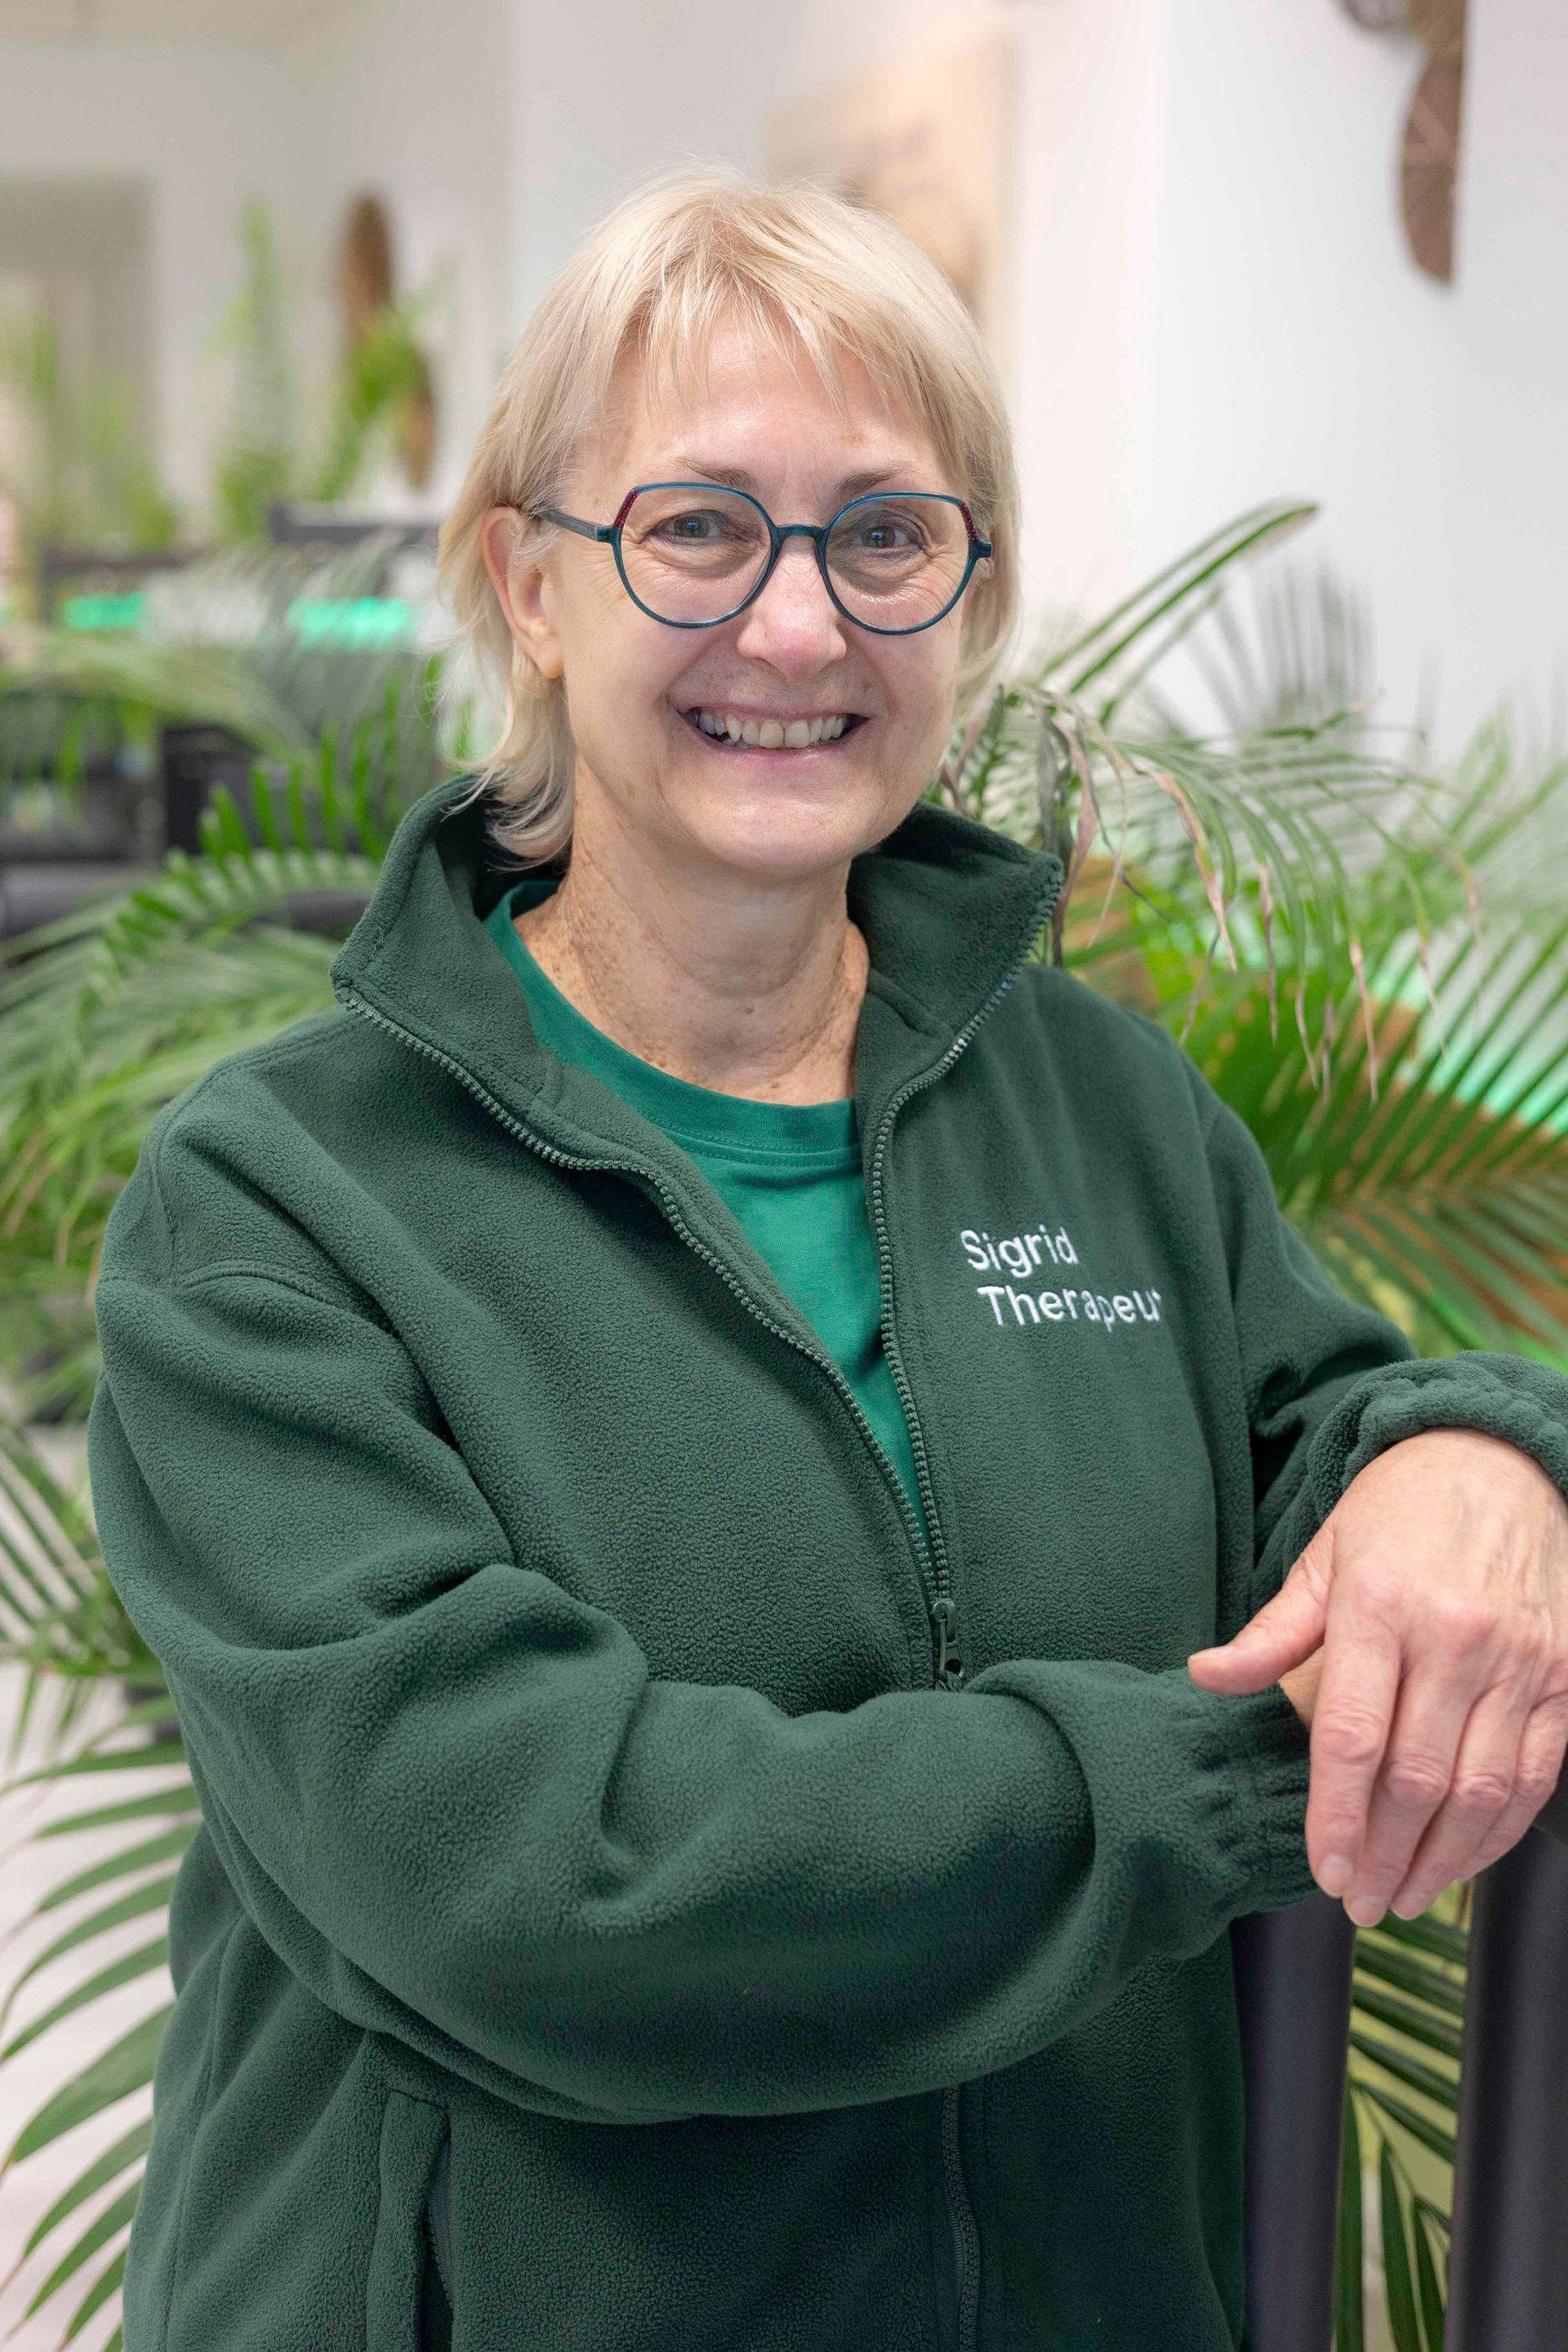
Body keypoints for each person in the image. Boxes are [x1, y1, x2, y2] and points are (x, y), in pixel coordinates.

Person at [87, 166, 1568, 2352]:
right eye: (696, 526)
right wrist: (1239, 1780)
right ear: (528, 585)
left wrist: (1477, 1461)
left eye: (885, 534)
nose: (799, 628)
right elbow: (546, 1880)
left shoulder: (1104, 1110)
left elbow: (1331, 1418)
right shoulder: (281, 1209)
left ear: (969, 599)